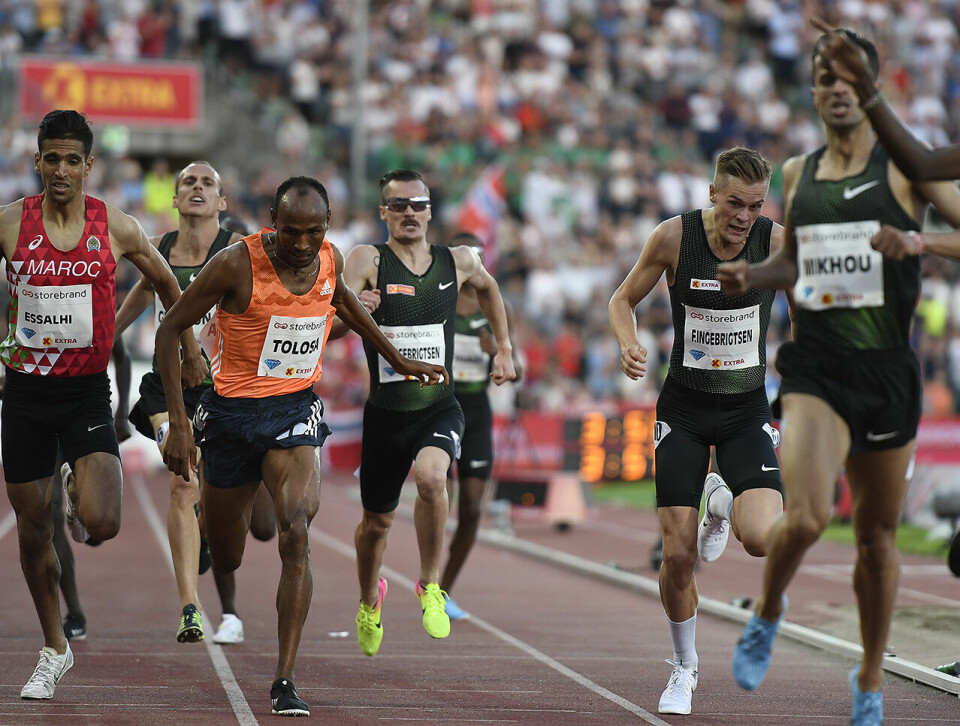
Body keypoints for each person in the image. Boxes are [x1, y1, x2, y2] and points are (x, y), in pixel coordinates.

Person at [716, 31, 960, 726]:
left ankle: (871, 679)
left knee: (877, 538)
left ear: (870, 87)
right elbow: (795, 266)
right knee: (812, 514)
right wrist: (753, 275)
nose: (837, 87)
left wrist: (920, 241)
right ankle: (767, 610)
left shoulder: (907, 167)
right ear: (815, 90)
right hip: (814, 365)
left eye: (851, 76)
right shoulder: (797, 174)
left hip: (885, 369)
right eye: (825, 76)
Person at [155, 176, 446, 717]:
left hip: (292, 409)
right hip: (230, 414)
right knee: (230, 551)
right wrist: (179, 421)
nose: (303, 244)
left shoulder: (329, 259)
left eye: (314, 232)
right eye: (292, 232)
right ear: (273, 222)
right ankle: (212, 522)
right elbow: (169, 330)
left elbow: (353, 311)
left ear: (327, 225)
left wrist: (399, 360)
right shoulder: (235, 264)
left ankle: (284, 678)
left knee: (295, 530)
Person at [1, 109, 205, 700]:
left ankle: (73, 480)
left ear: (89, 165)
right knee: (33, 532)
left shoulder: (116, 227)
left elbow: (169, 284)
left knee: (103, 522)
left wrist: (189, 347)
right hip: (25, 394)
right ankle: (52, 647)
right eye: (51, 158)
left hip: (86, 390)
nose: (61, 169)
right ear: (36, 162)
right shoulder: (12, 224)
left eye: (72, 159)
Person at [608, 147, 785, 716]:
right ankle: (684, 667)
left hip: (745, 409)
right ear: (712, 195)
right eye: (734, 203)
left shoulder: (775, 243)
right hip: (682, 407)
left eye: (755, 205)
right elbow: (621, 300)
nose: (743, 217)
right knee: (678, 555)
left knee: (761, 539)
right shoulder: (672, 238)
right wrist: (628, 342)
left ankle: (719, 501)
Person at [343, 169, 516, 658]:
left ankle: (430, 584)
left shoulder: (457, 260)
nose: (409, 213)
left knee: (433, 479)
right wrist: (357, 308)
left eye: (417, 205)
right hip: (385, 413)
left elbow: (490, 290)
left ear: (430, 211)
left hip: (440, 406)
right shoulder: (366, 260)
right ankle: (368, 600)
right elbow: (334, 322)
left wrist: (504, 348)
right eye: (397, 206)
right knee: (375, 525)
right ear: (384, 213)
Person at [114, 161, 267, 644]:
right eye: (188, 183)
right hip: (167, 390)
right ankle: (190, 606)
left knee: (252, 522)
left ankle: (208, 532)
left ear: (223, 203)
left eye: (208, 184)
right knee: (183, 482)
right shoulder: (159, 249)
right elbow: (142, 294)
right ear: (175, 200)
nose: (197, 188)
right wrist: (102, 340)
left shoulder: (238, 253)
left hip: (226, 392)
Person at [438, 231, 522, 619]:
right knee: (440, 499)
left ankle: (444, 589)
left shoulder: (495, 304)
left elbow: (514, 369)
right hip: (440, 407)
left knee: (471, 509)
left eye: (480, 258)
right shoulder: (439, 298)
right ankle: (426, 575)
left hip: (476, 411)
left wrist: (498, 355)